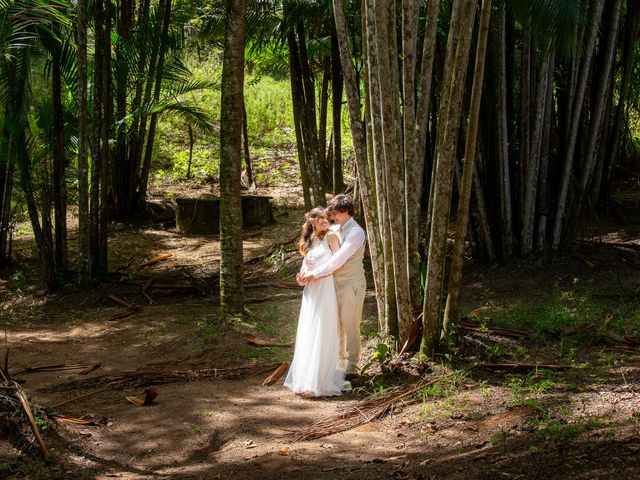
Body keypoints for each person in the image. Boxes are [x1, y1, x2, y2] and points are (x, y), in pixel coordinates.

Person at [299, 194, 366, 379]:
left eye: (334, 212)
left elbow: (339, 258)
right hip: (330, 286)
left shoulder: (356, 232)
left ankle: (352, 367)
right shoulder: (336, 228)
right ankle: (337, 364)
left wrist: (316, 273)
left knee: (351, 324)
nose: (331, 216)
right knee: (335, 326)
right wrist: (306, 271)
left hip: (351, 283)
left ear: (344, 211)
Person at [284, 207, 347, 397]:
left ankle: (319, 381)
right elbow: (307, 264)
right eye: (320, 218)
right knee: (309, 330)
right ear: (312, 221)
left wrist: (316, 276)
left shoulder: (331, 237)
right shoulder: (309, 241)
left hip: (325, 288)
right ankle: (306, 380)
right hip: (310, 291)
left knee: (322, 330)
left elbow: (338, 263)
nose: (325, 220)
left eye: (327, 217)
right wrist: (301, 277)